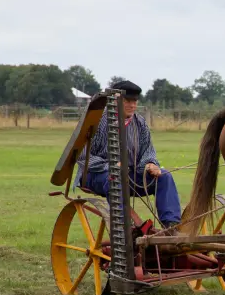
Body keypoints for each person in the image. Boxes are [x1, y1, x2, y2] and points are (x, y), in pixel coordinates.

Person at [74, 80, 182, 233]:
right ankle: (126, 228)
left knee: (165, 177)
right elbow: (82, 155)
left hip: (130, 174)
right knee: (115, 176)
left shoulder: (140, 123)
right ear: (116, 100)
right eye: (127, 100)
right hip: (96, 175)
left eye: (135, 101)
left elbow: (148, 150)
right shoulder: (97, 121)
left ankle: (171, 226)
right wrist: (110, 166)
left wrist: (150, 164)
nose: (132, 105)